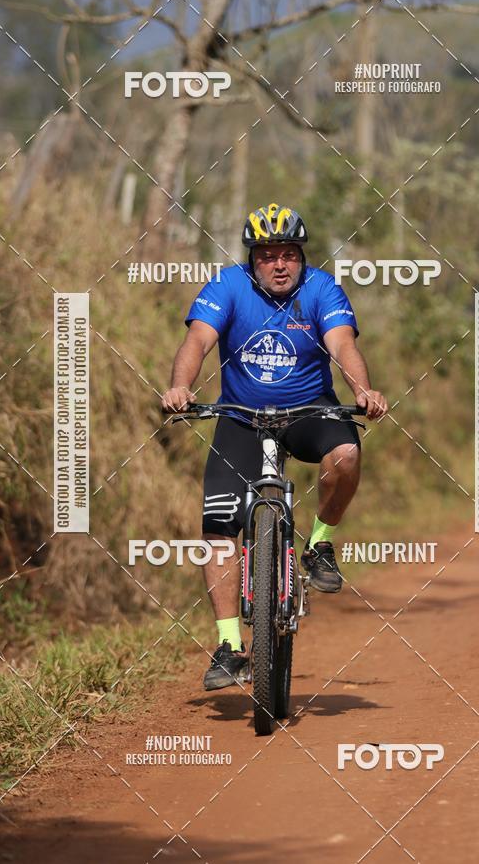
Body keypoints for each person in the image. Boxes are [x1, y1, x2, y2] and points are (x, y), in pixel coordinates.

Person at [162, 203, 388, 690]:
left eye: (289, 254)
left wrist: (362, 390)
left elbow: (343, 345)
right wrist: (181, 386)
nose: (280, 265)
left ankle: (320, 544)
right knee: (218, 529)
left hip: (309, 411)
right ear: (252, 259)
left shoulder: (321, 289)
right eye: (268, 256)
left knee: (346, 454)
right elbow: (198, 342)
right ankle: (229, 646)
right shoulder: (227, 286)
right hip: (241, 417)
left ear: (302, 256)